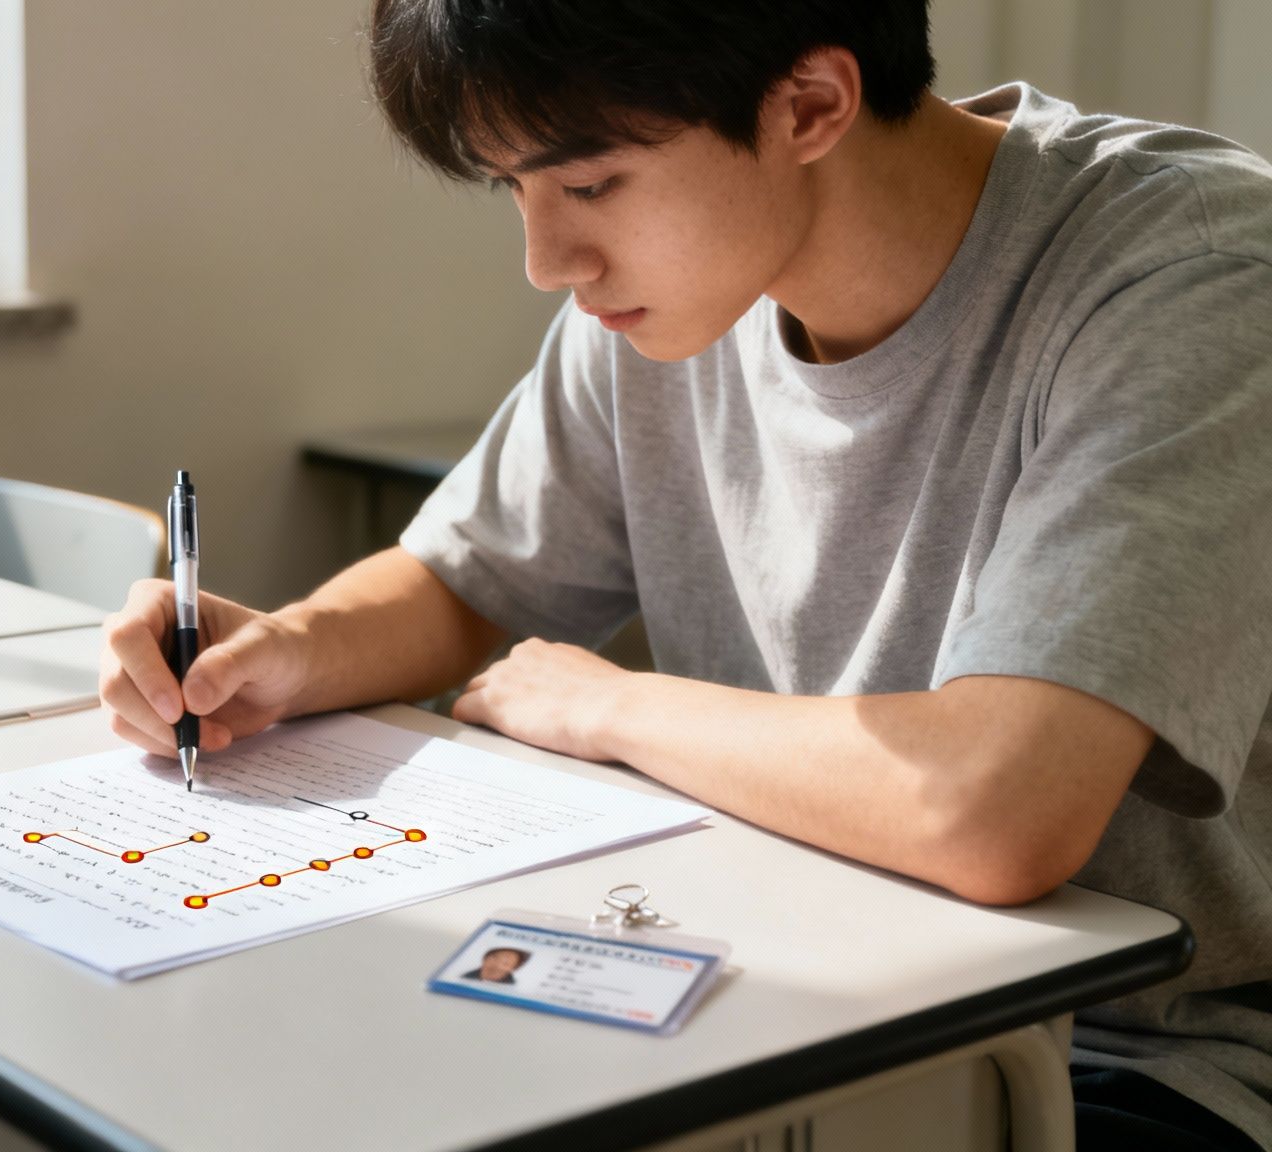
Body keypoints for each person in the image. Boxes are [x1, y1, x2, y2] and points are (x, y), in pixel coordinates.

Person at [100, 2, 1270, 1147]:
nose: (545, 260)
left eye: (588, 184)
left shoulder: (1191, 275)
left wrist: (609, 704)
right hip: (782, 978)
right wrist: (287, 649)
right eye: (513, 187)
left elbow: (991, 810)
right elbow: (460, 579)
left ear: (808, 103)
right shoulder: (672, 302)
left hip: (1136, 1057)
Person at [464, 947, 531, 985]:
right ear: (485, 958)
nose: (497, 965)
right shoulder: (465, 977)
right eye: (495, 958)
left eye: (506, 963)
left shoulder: (510, 988)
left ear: (513, 968)